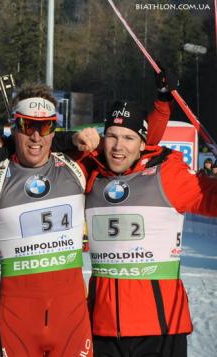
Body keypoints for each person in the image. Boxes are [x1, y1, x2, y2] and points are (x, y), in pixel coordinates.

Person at [0, 83, 99, 357]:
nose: (35, 137)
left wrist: (80, 137)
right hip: (16, 320)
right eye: (27, 126)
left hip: (71, 322)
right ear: (13, 127)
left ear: (55, 130)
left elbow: (126, 152)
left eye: (44, 127)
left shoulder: (77, 165)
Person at [84, 100, 217, 357]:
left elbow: (210, 198)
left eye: (128, 138)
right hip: (103, 328)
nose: (118, 146)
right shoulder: (92, 174)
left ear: (144, 144)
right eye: (111, 136)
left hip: (160, 329)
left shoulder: (167, 175)